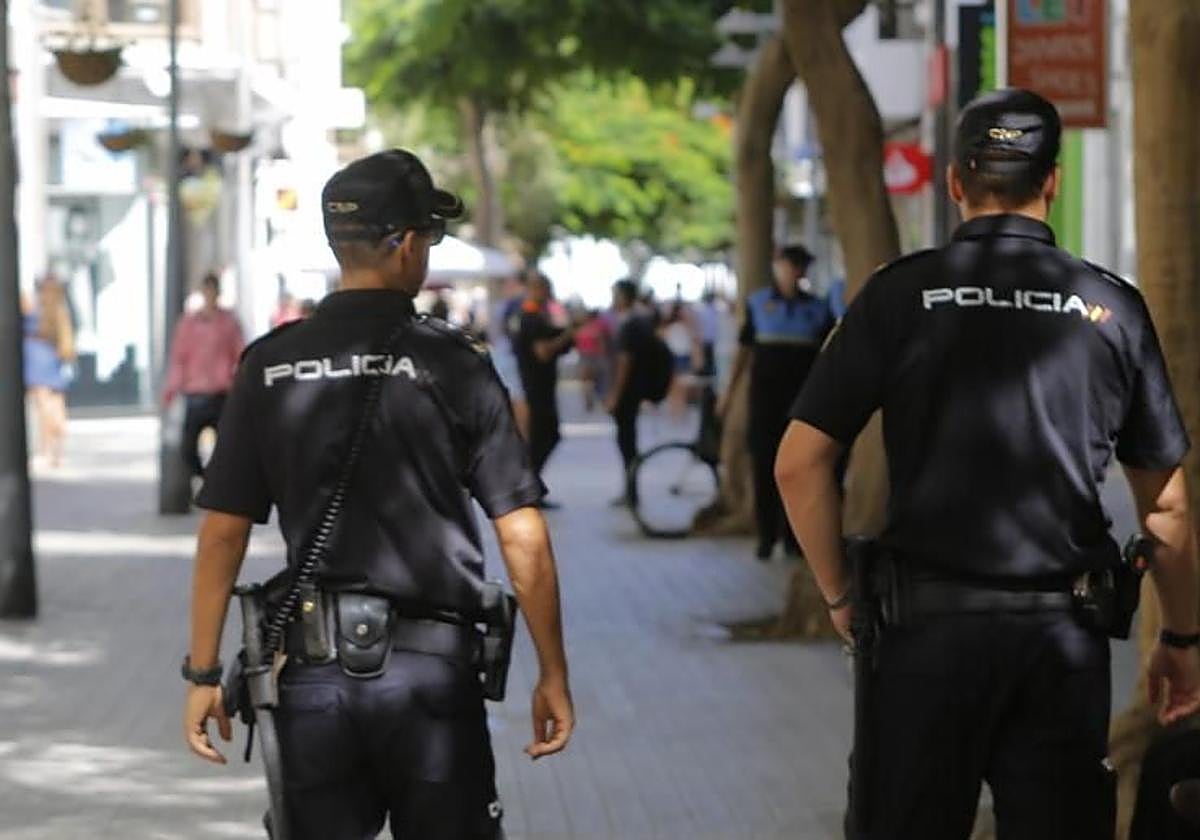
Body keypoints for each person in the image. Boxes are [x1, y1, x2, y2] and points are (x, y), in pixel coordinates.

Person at [775, 88, 1200, 840]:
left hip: (921, 639)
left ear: (954, 181)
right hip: (1061, 643)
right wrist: (1182, 642)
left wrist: (842, 598)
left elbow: (799, 465)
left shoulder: (899, 295)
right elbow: (1165, 507)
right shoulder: (1111, 308)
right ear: (1054, 181)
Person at [181, 148, 574, 840]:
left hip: (312, 685)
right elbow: (520, 530)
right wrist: (553, 672)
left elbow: (222, 531)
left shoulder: (269, 365)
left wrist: (203, 670)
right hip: (431, 682)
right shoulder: (456, 363)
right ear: (407, 245)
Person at [719, 243, 834, 560]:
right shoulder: (758, 305)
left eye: (800, 266)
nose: (794, 272)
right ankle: (766, 535)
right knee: (764, 465)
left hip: (803, 401)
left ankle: (794, 539)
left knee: (800, 468)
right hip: (765, 400)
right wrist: (728, 395)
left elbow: (828, 354)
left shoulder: (819, 309)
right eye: (788, 264)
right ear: (777, 265)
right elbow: (743, 353)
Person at [162, 271, 245, 478]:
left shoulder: (228, 322)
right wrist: (171, 389)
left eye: (213, 291)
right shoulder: (189, 323)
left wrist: (241, 384)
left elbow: (240, 354)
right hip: (196, 393)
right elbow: (179, 358)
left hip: (221, 393)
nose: (210, 295)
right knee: (188, 448)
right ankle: (206, 479)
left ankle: (218, 483)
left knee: (228, 448)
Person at [510, 272, 575, 506]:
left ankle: (531, 488)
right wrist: (569, 334)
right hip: (536, 387)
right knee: (543, 437)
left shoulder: (535, 316)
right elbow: (543, 352)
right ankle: (528, 489)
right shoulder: (530, 318)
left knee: (545, 436)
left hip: (540, 386)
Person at [604, 279, 656, 505]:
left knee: (627, 442)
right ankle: (630, 490)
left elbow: (626, 362)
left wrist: (615, 395)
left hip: (628, 393)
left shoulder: (630, 323)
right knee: (627, 441)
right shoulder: (638, 320)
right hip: (633, 391)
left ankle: (631, 491)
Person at [22, 276, 75, 468]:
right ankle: (57, 450)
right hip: (52, 360)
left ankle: (46, 451)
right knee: (55, 405)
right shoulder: (58, 312)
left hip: (37, 361)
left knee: (44, 408)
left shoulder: (36, 311)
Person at [489, 273, 530, 438]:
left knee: (514, 397)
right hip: (509, 355)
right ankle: (521, 436)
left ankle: (519, 435)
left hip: (505, 354)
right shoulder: (517, 304)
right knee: (517, 396)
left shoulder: (509, 305)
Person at [574, 308, 611, 414]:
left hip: (584, 357)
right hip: (595, 357)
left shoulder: (581, 329)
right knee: (598, 380)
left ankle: (588, 400)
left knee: (586, 382)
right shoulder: (597, 328)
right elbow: (602, 344)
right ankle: (600, 398)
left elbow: (577, 345)